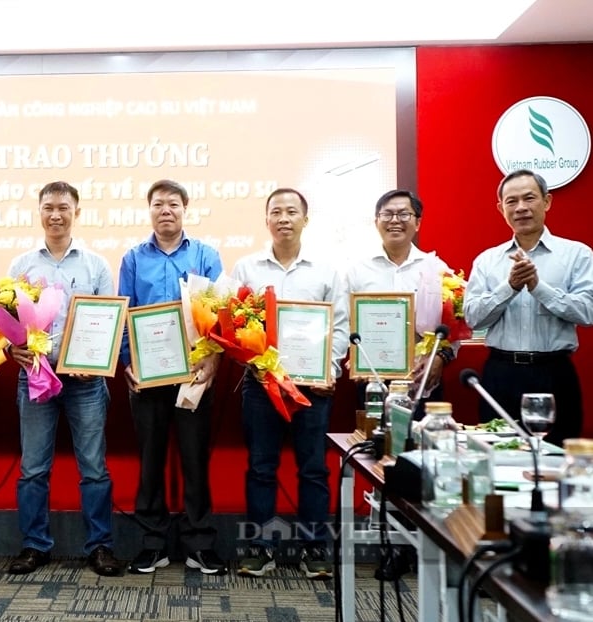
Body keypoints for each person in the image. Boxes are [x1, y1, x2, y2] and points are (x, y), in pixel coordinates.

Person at [4, 181, 123, 577]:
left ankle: (100, 546)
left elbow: (111, 321)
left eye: (64, 208)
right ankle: (35, 545)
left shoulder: (95, 265)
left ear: (77, 212)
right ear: (39, 211)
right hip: (36, 378)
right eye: (49, 207)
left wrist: (100, 358)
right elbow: (5, 326)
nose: (56, 214)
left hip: (85, 384)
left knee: (93, 467)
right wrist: (12, 349)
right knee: (33, 468)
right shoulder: (21, 265)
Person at [232, 188, 348, 579]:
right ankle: (259, 549)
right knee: (261, 467)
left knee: (313, 469)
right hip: (260, 386)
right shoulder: (246, 269)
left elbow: (341, 328)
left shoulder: (327, 271)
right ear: (266, 220)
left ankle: (315, 549)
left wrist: (328, 370)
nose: (284, 218)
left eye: (292, 211)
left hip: (311, 389)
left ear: (305, 219)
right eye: (276, 212)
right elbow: (232, 326)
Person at [118, 179, 227, 576]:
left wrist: (213, 359)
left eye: (173, 204)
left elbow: (219, 314)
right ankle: (153, 544)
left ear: (185, 209)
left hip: (194, 374)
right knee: (150, 463)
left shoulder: (206, 255)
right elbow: (125, 313)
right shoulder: (133, 258)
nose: (166, 210)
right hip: (147, 377)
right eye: (158, 204)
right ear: (149, 211)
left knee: (195, 461)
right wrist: (128, 362)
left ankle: (200, 544)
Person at [464, 169, 593, 447]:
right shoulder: (487, 261)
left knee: (557, 463)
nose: (520, 207)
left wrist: (538, 287)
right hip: (500, 374)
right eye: (511, 201)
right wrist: (508, 287)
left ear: (546, 202)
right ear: (501, 208)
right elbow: (473, 319)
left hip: (554, 374)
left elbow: (587, 311)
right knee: (497, 460)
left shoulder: (577, 255)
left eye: (529, 198)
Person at [345, 190, 458, 419]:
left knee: (421, 451)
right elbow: (344, 322)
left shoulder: (436, 268)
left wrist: (441, 357)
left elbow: (454, 326)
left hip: (421, 379)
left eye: (404, 214)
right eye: (387, 214)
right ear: (376, 221)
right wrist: (355, 359)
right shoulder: (357, 271)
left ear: (418, 223)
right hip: (373, 382)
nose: (395, 220)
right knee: (377, 450)